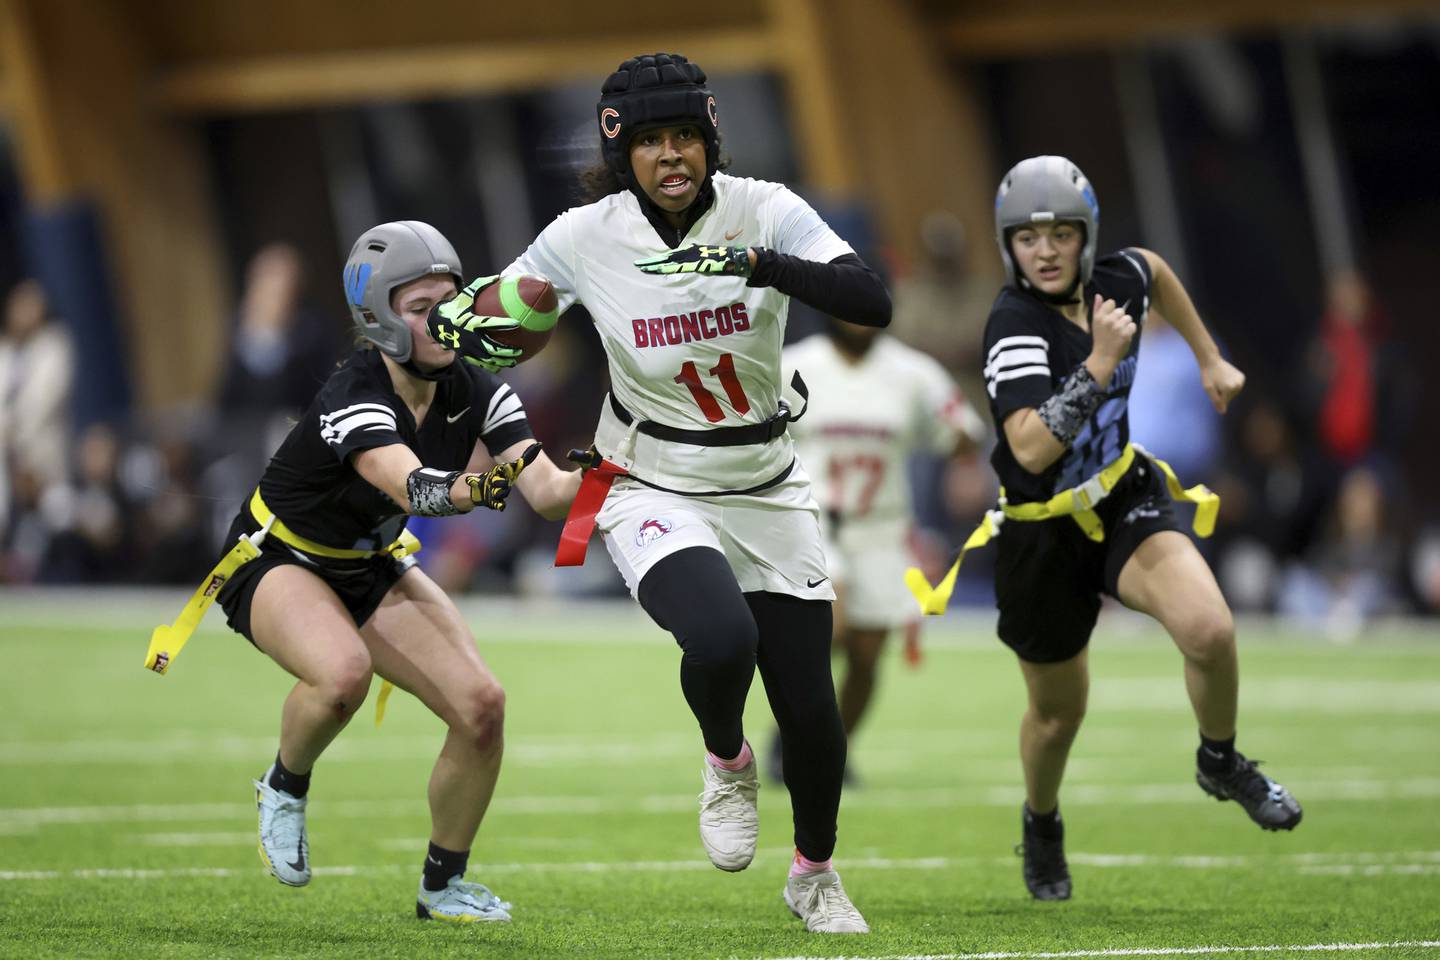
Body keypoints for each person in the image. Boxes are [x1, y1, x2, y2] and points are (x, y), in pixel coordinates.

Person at [499, 53, 890, 934]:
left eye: (685, 136)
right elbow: (503, 311)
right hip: (652, 477)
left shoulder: (766, 208)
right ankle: (726, 757)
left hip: (766, 480)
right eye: (650, 142)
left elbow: (872, 299)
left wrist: (761, 262)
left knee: (814, 710)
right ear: (621, 151)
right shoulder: (582, 234)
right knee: (720, 637)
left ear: (709, 138)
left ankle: (815, 875)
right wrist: (463, 321)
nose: (671, 155)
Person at [204, 221, 580, 922]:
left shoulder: (478, 387)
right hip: (277, 556)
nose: (443, 319)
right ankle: (285, 784)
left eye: (450, 300)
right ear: (380, 316)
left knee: (481, 709)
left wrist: (622, 455)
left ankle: (443, 887)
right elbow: (420, 492)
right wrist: (488, 487)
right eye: (421, 306)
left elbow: (553, 493)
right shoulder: (355, 392)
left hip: (369, 562)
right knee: (342, 673)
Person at [963, 156, 1302, 901]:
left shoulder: (1118, 279)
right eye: (1027, 237)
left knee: (1210, 631)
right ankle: (1042, 820)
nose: (1045, 250)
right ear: (1007, 246)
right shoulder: (1011, 326)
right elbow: (1027, 447)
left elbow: (1155, 269)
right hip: (1041, 532)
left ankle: (1220, 760)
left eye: (1061, 233)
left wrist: (1211, 357)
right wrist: (1101, 360)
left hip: (1120, 496)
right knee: (1058, 716)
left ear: (1087, 238)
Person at [771, 317, 984, 783]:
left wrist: (962, 436)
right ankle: (793, 733)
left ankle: (828, 751)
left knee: (867, 656)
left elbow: (961, 435)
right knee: (833, 628)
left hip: (883, 526)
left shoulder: (913, 373)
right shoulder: (793, 365)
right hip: (813, 517)